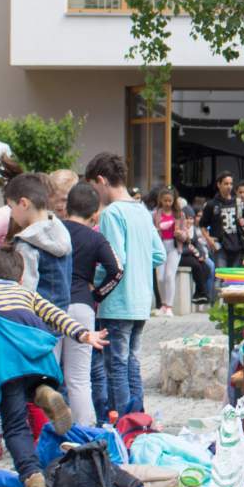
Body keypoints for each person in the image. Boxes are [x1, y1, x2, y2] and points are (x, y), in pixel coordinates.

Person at [0, 245, 108, 487]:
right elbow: (56, 315)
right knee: (32, 380)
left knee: (15, 424)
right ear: (20, 277)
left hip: (4, 359)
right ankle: (43, 391)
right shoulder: (26, 293)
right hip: (35, 346)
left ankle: (33, 479)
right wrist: (85, 334)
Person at [83, 152, 165, 420]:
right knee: (132, 363)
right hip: (141, 301)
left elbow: (114, 260)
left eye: (94, 187)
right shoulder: (141, 210)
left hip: (117, 303)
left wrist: (91, 285)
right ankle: (137, 419)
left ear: (101, 180)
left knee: (116, 366)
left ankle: (124, 424)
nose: (95, 194)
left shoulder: (112, 213)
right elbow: (159, 255)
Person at [63, 182, 122, 426]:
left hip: (50, 307)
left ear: (66, 208)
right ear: (95, 214)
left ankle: (47, 430)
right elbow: (117, 270)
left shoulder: (54, 230)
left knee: (49, 374)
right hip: (82, 308)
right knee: (79, 378)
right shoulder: (96, 239)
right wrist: (97, 295)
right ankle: (84, 431)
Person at [7, 173, 73, 312]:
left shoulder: (27, 243)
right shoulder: (62, 232)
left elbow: (25, 292)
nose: (12, 214)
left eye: (11, 207)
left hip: (37, 324)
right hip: (62, 319)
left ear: (24, 203)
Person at [201, 173, 244, 269]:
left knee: (235, 279)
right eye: (226, 184)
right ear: (219, 184)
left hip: (237, 245)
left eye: (231, 184)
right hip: (220, 246)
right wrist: (209, 239)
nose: (229, 186)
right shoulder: (211, 205)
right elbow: (202, 225)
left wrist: (243, 223)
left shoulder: (238, 202)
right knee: (221, 278)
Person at [152, 186, 179, 315]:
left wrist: (179, 233)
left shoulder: (179, 214)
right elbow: (150, 230)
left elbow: (185, 232)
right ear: (161, 200)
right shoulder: (156, 213)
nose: (168, 203)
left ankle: (169, 306)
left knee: (169, 275)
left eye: (170, 201)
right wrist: (158, 229)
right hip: (160, 245)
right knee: (160, 277)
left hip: (174, 246)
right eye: (165, 201)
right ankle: (163, 304)